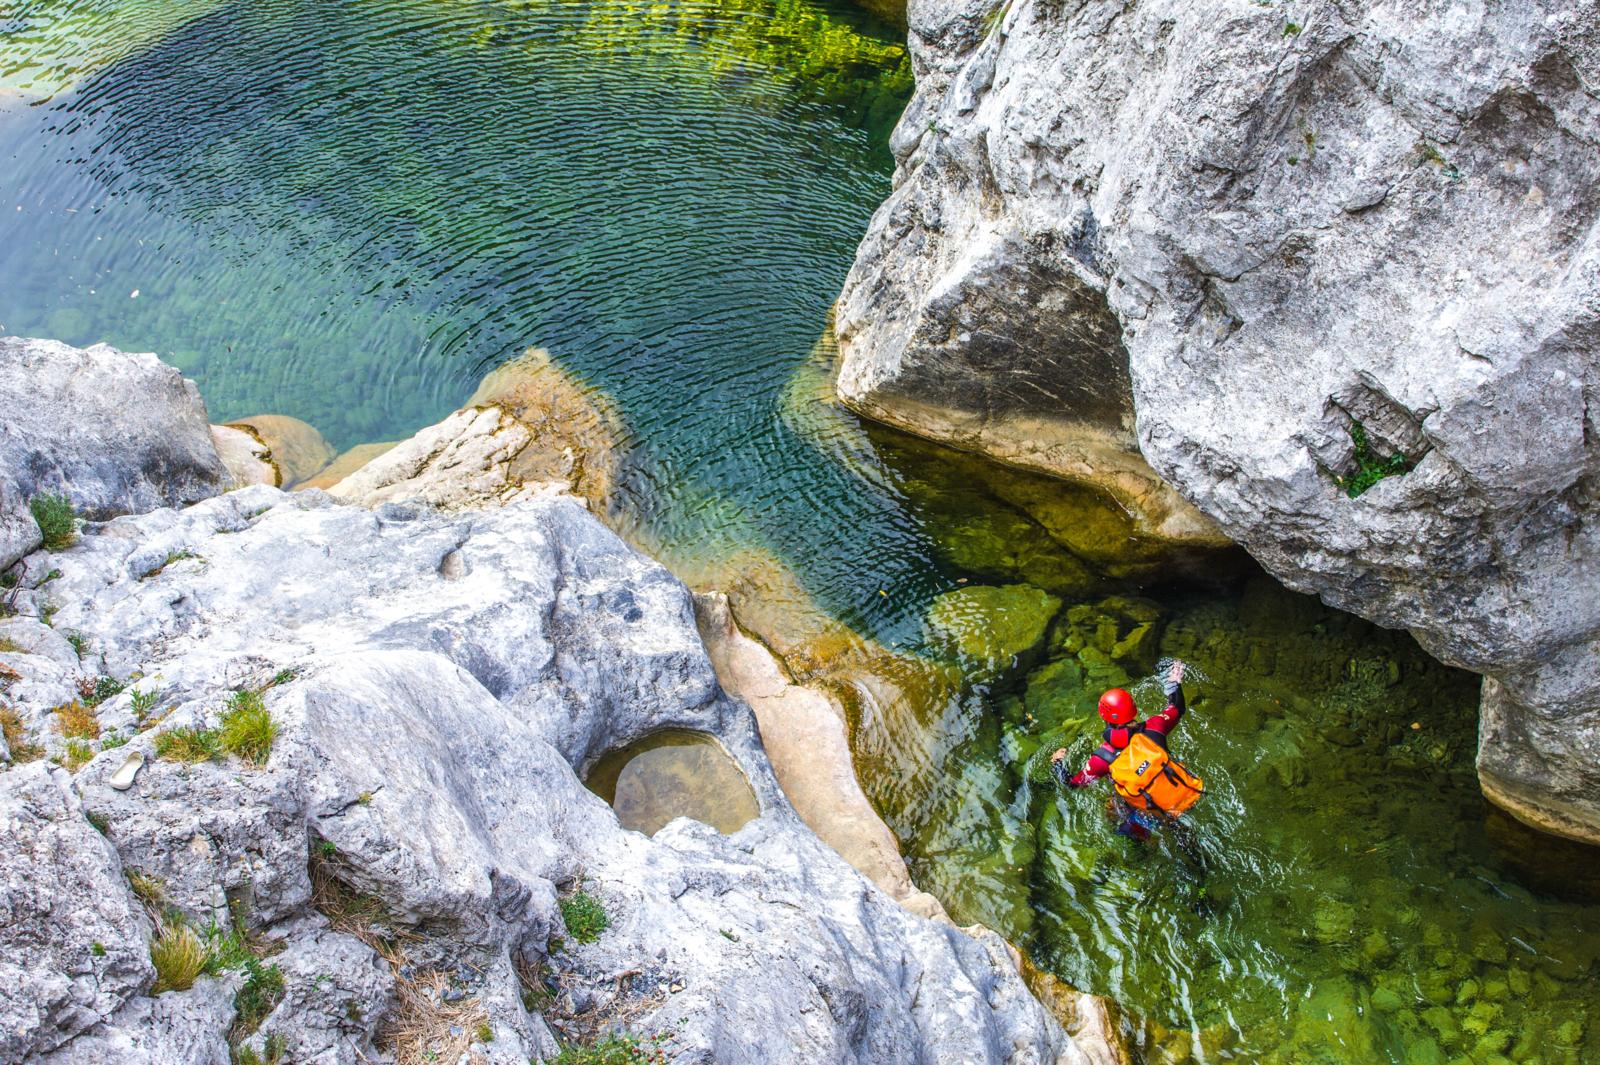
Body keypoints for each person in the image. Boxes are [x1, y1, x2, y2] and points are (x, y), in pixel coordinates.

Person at [1050, 659, 1190, 841]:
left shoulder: (1101, 758)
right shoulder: (1156, 726)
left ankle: (1138, 842)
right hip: (1179, 792)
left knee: (1111, 813)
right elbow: (1177, 708)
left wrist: (1058, 763)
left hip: (1146, 809)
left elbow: (1072, 784)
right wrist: (1174, 683)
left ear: (1104, 717)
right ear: (1133, 709)